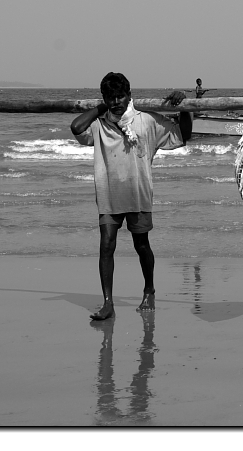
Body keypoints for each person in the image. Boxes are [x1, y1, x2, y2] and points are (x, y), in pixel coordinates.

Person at [71, 72, 192, 321]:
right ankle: (107, 303)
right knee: (106, 245)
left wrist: (185, 107)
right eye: (110, 97)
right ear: (104, 99)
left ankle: (149, 289)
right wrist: (100, 107)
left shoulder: (145, 121)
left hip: (137, 191)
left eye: (120, 96)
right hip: (108, 191)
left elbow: (182, 135)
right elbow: (76, 127)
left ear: (129, 95)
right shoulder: (99, 123)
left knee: (142, 245)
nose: (116, 102)